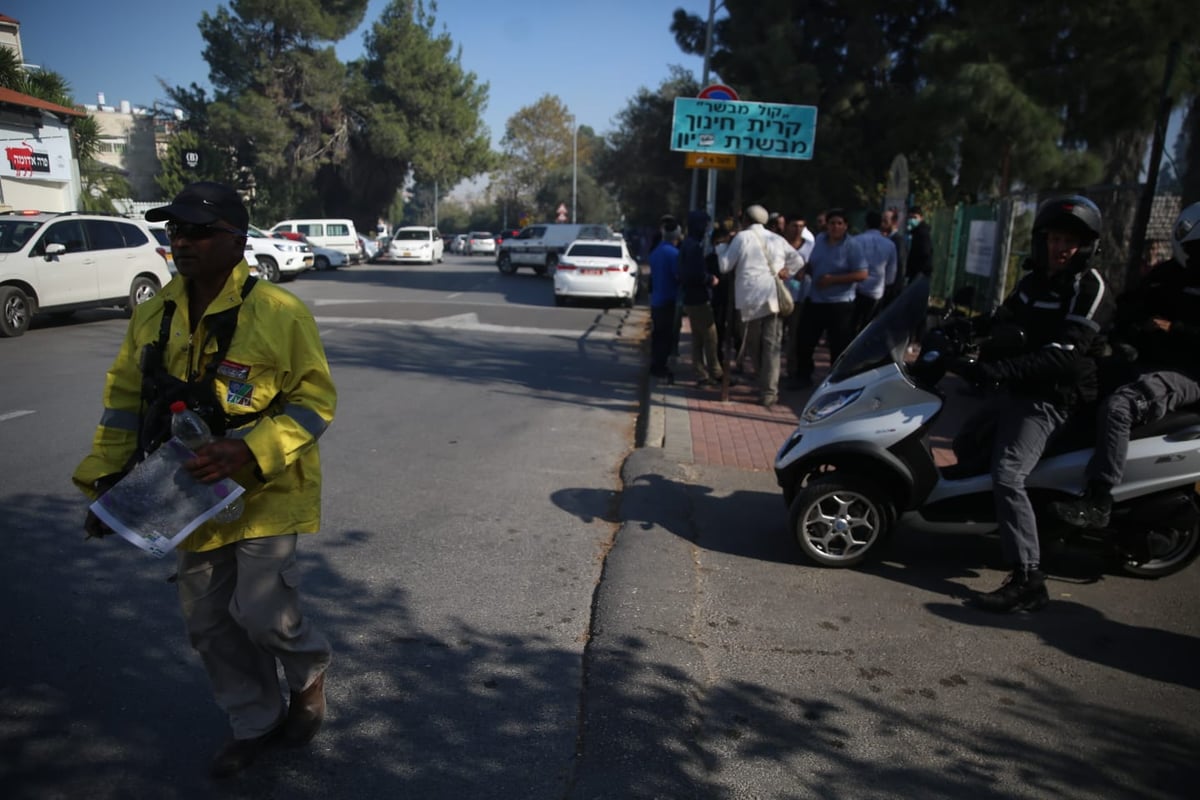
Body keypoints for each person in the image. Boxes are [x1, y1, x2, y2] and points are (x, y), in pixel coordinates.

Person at [73, 182, 337, 778]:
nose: (181, 241)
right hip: (189, 493)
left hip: (268, 490)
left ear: (237, 240)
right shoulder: (154, 312)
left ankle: (309, 671)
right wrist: (106, 493)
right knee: (210, 625)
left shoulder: (279, 312)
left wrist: (249, 450)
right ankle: (255, 722)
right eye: (175, 231)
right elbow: (124, 404)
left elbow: (315, 402)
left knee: (262, 610)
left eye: (197, 231)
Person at [947, 195, 1113, 613]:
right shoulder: (1034, 281)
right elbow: (1003, 320)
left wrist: (998, 371)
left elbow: (1064, 356)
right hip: (1022, 389)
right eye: (1056, 238)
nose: (1062, 248)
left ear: (1085, 247)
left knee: (1007, 474)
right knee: (969, 441)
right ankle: (992, 529)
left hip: (1055, 398)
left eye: (1071, 242)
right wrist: (963, 329)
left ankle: (1028, 578)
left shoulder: (1087, 285)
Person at [1050, 201, 1200, 534]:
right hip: (1145, 360)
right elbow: (1129, 305)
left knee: (1121, 407)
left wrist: (1173, 329)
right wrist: (1130, 328)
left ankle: (1098, 499)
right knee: (1081, 379)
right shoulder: (1166, 274)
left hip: (1188, 373)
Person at [716, 204, 805, 407]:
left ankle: (765, 384)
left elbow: (724, 266)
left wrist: (722, 247)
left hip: (750, 301)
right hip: (772, 298)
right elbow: (798, 260)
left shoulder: (742, 238)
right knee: (772, 347)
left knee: (753, 346)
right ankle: (769, 392)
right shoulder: (776, 239)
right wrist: (786, 271)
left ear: (746, 220)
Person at [790, 208, 867, 388]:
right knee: (805, 340)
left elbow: (862, 274)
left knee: (838, 344)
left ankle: (836, 381)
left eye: (839, 223)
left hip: (840, 302)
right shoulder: (820, 241)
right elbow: (814, 262)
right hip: (816, 299)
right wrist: (804, 270)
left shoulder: (852, 246)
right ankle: (803, 376)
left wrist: (833, 280)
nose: (835, 227)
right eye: (832, 223)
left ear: (846, 226)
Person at [678, 210, 724, 386]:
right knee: (710, 335)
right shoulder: (693, 247)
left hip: (691, 296)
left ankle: (700, 373)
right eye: (704, 225)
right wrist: (710, 279)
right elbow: (693, 273)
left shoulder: (689, 244)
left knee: (698, 337)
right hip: (698, 297)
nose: (706, 229)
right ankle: (715, 371)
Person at [852, 210, 898, 332]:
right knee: (868, 326)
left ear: (866, 224)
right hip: (876, 291)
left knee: (851, 323)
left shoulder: (856, 241)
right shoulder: (890, 244)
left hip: (856, 288)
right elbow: (891, 275)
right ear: (880, 225)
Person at [649, 220, 682, 380]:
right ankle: (660, 367)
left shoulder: (657, 251)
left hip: (657, 299)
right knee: (665, 336)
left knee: (658, 335)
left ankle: (656, 364)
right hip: (669, 299)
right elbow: (678, 275)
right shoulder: (674, 254)